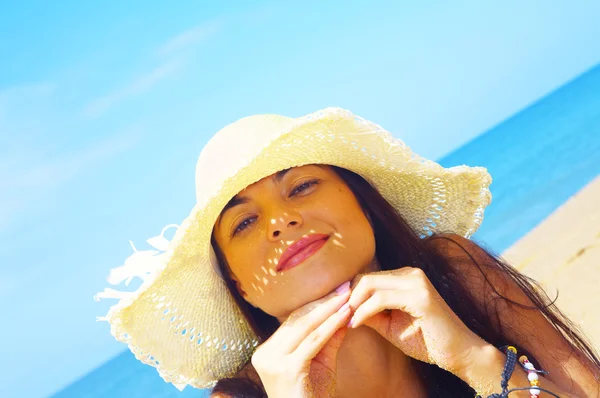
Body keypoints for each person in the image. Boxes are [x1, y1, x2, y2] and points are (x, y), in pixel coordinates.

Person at [96, 108, 600, 397]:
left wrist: (473, 360)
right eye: (245, 222)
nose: (281, 222)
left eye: (302, 186)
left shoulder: (456, 274)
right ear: (238, 286)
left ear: (362, 203)